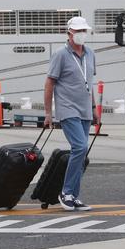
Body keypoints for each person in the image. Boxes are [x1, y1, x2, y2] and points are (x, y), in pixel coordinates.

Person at [43, 16, 97, 211]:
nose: (82, 34)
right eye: (78, 31)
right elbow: (50, 82)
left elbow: (89, 84)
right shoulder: (60, 55)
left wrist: (94, 108)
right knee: (80, 147)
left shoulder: (90, 54)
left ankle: (74, 195)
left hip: (85, 111)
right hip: (68, 109)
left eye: (85, 31)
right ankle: (66, 192)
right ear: (69, 33)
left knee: (82, 153)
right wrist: (48, 112)